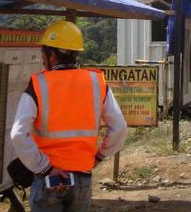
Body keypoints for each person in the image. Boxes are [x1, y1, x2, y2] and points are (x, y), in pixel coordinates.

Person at [11, 21, 127, 212]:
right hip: (82, 178)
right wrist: (98, 156)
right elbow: (120, 128)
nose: (43, 60)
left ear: (52, 55)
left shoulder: (38, 85)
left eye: (44, 55)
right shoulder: (96, 82)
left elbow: (18, 134)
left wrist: (44, 168)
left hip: (49, 179)